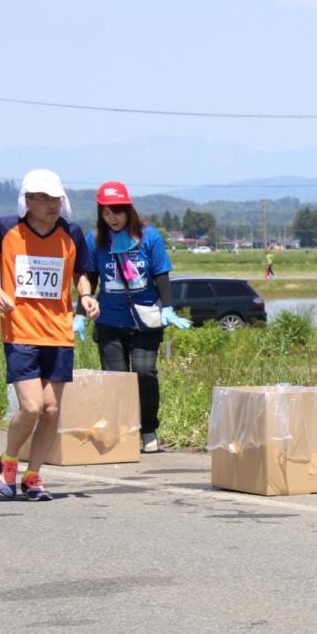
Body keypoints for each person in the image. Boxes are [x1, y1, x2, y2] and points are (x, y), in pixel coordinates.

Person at [0, 169, 98, 501]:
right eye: (42, 199)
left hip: (59, 332)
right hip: (20, 329)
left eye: (55, 198)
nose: (50, 205)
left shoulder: (71, 232)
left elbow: (81, 273)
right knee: (31, 407)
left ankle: (34, 476)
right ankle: (9, 462)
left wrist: (86, 295)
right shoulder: (5, 228)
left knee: (50, 411)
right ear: (27, 201)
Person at [83, 181, 191, 454]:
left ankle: (148, 429)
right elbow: (91, 278)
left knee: (144, 373)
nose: (112, 218)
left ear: (128, 209)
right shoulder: (95, 240)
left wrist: (167, 308)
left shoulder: (149, 236)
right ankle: (123, 430)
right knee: (116, 379)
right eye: (106, 213)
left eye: (116, 211)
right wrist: (79, 312)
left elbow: (161, 274)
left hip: (144, 320)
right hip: (110, 320)